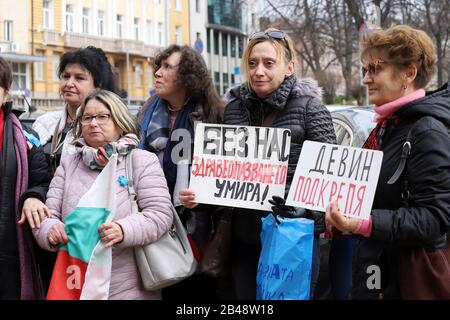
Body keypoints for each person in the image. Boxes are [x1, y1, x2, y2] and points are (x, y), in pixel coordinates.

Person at [182, 29, 337, 299]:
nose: (258, 71)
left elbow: (330, 183)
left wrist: (301, 211)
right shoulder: (233, 110)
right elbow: (221, 174)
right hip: (243, 238)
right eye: (252, 63)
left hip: (290, 238)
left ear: (289, 67)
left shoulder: (311, 109)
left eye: (268, 63)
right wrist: (200, 197)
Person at [325, 24, 450, 299]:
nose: (366, 79)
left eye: (375, 69)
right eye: (364, 69)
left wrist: (363, 223)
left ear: (409, 73)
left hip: (408, 278)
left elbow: (434, 219)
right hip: (379, 270)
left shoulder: (427, 130)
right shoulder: (387, 126)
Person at [33, 89, 174, 299]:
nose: (93, 123)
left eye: (102, 117)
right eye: (87, 118)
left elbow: (160, 215)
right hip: (75, 283)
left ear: (119, 122)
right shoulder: (69, 163)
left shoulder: (141, 161)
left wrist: (123, 230)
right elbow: (47, 216)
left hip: (128, 287)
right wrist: (50, 231)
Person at [137, 44, 225, 299]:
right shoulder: (147, 111)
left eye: (167, 67)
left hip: (197, 230)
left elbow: (227, 178)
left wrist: (205, 196)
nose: (158, 73)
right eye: (158, 66)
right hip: (153, 227)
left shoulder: (214, 115)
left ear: (188, 75)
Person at [0, 57, 52, 299]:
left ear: (5, 93)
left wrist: (33, 196)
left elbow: (42, 181)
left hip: (8, 251)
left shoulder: (26, 138)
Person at [33, 46, 117, 173]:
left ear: (98, 84)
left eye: (79, 78)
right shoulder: (43, 123)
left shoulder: (110, 126)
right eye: (66, 76)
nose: (69, 83)